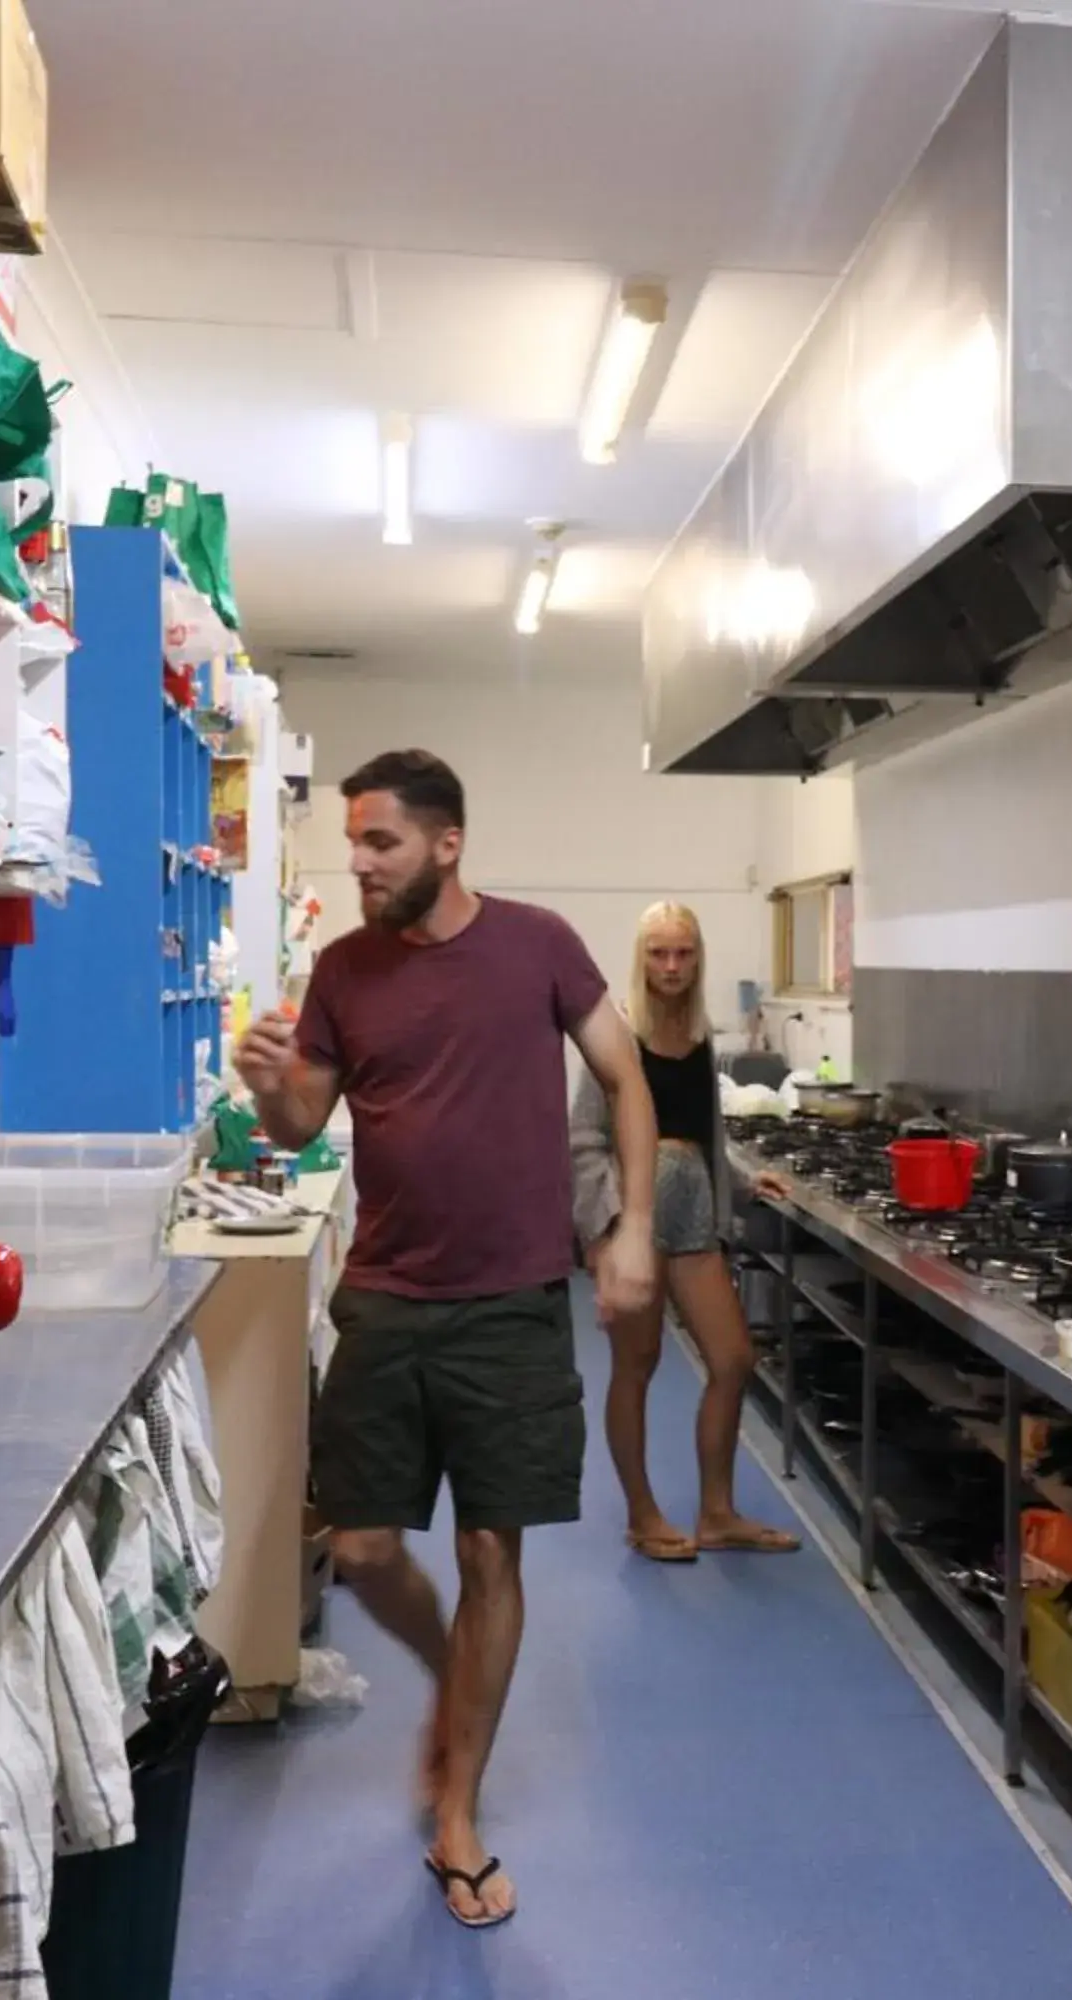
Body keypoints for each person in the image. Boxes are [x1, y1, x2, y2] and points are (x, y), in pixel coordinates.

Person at [233, 748, 658, 1932]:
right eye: (354, 843)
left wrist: (629, 1227)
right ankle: (449, 1674)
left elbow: (627, 1080)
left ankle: (459, 1813)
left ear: (446, 842)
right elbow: (304, 1119)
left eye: (381, 843)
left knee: (490, 1557)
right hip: (386, 1297)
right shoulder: (342, 972)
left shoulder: (539, 947)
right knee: (363, 1547)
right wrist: (265, 1083)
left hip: (516, 1304)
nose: (359, 864)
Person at [570, 902, 802, 1562]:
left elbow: (701, 1126)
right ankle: (643, 1515)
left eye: (683, 954)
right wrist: (609, 1228)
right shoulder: (616, 1035)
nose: (671, 967)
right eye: (658, 954)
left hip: (696, 1215)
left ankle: (717, 1512)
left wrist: (738, 1176)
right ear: (640, 958)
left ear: (698, 959)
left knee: (733, 1361)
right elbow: (583, 1140)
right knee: (635, 1367)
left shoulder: (702, 1036)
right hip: (635, 1222)